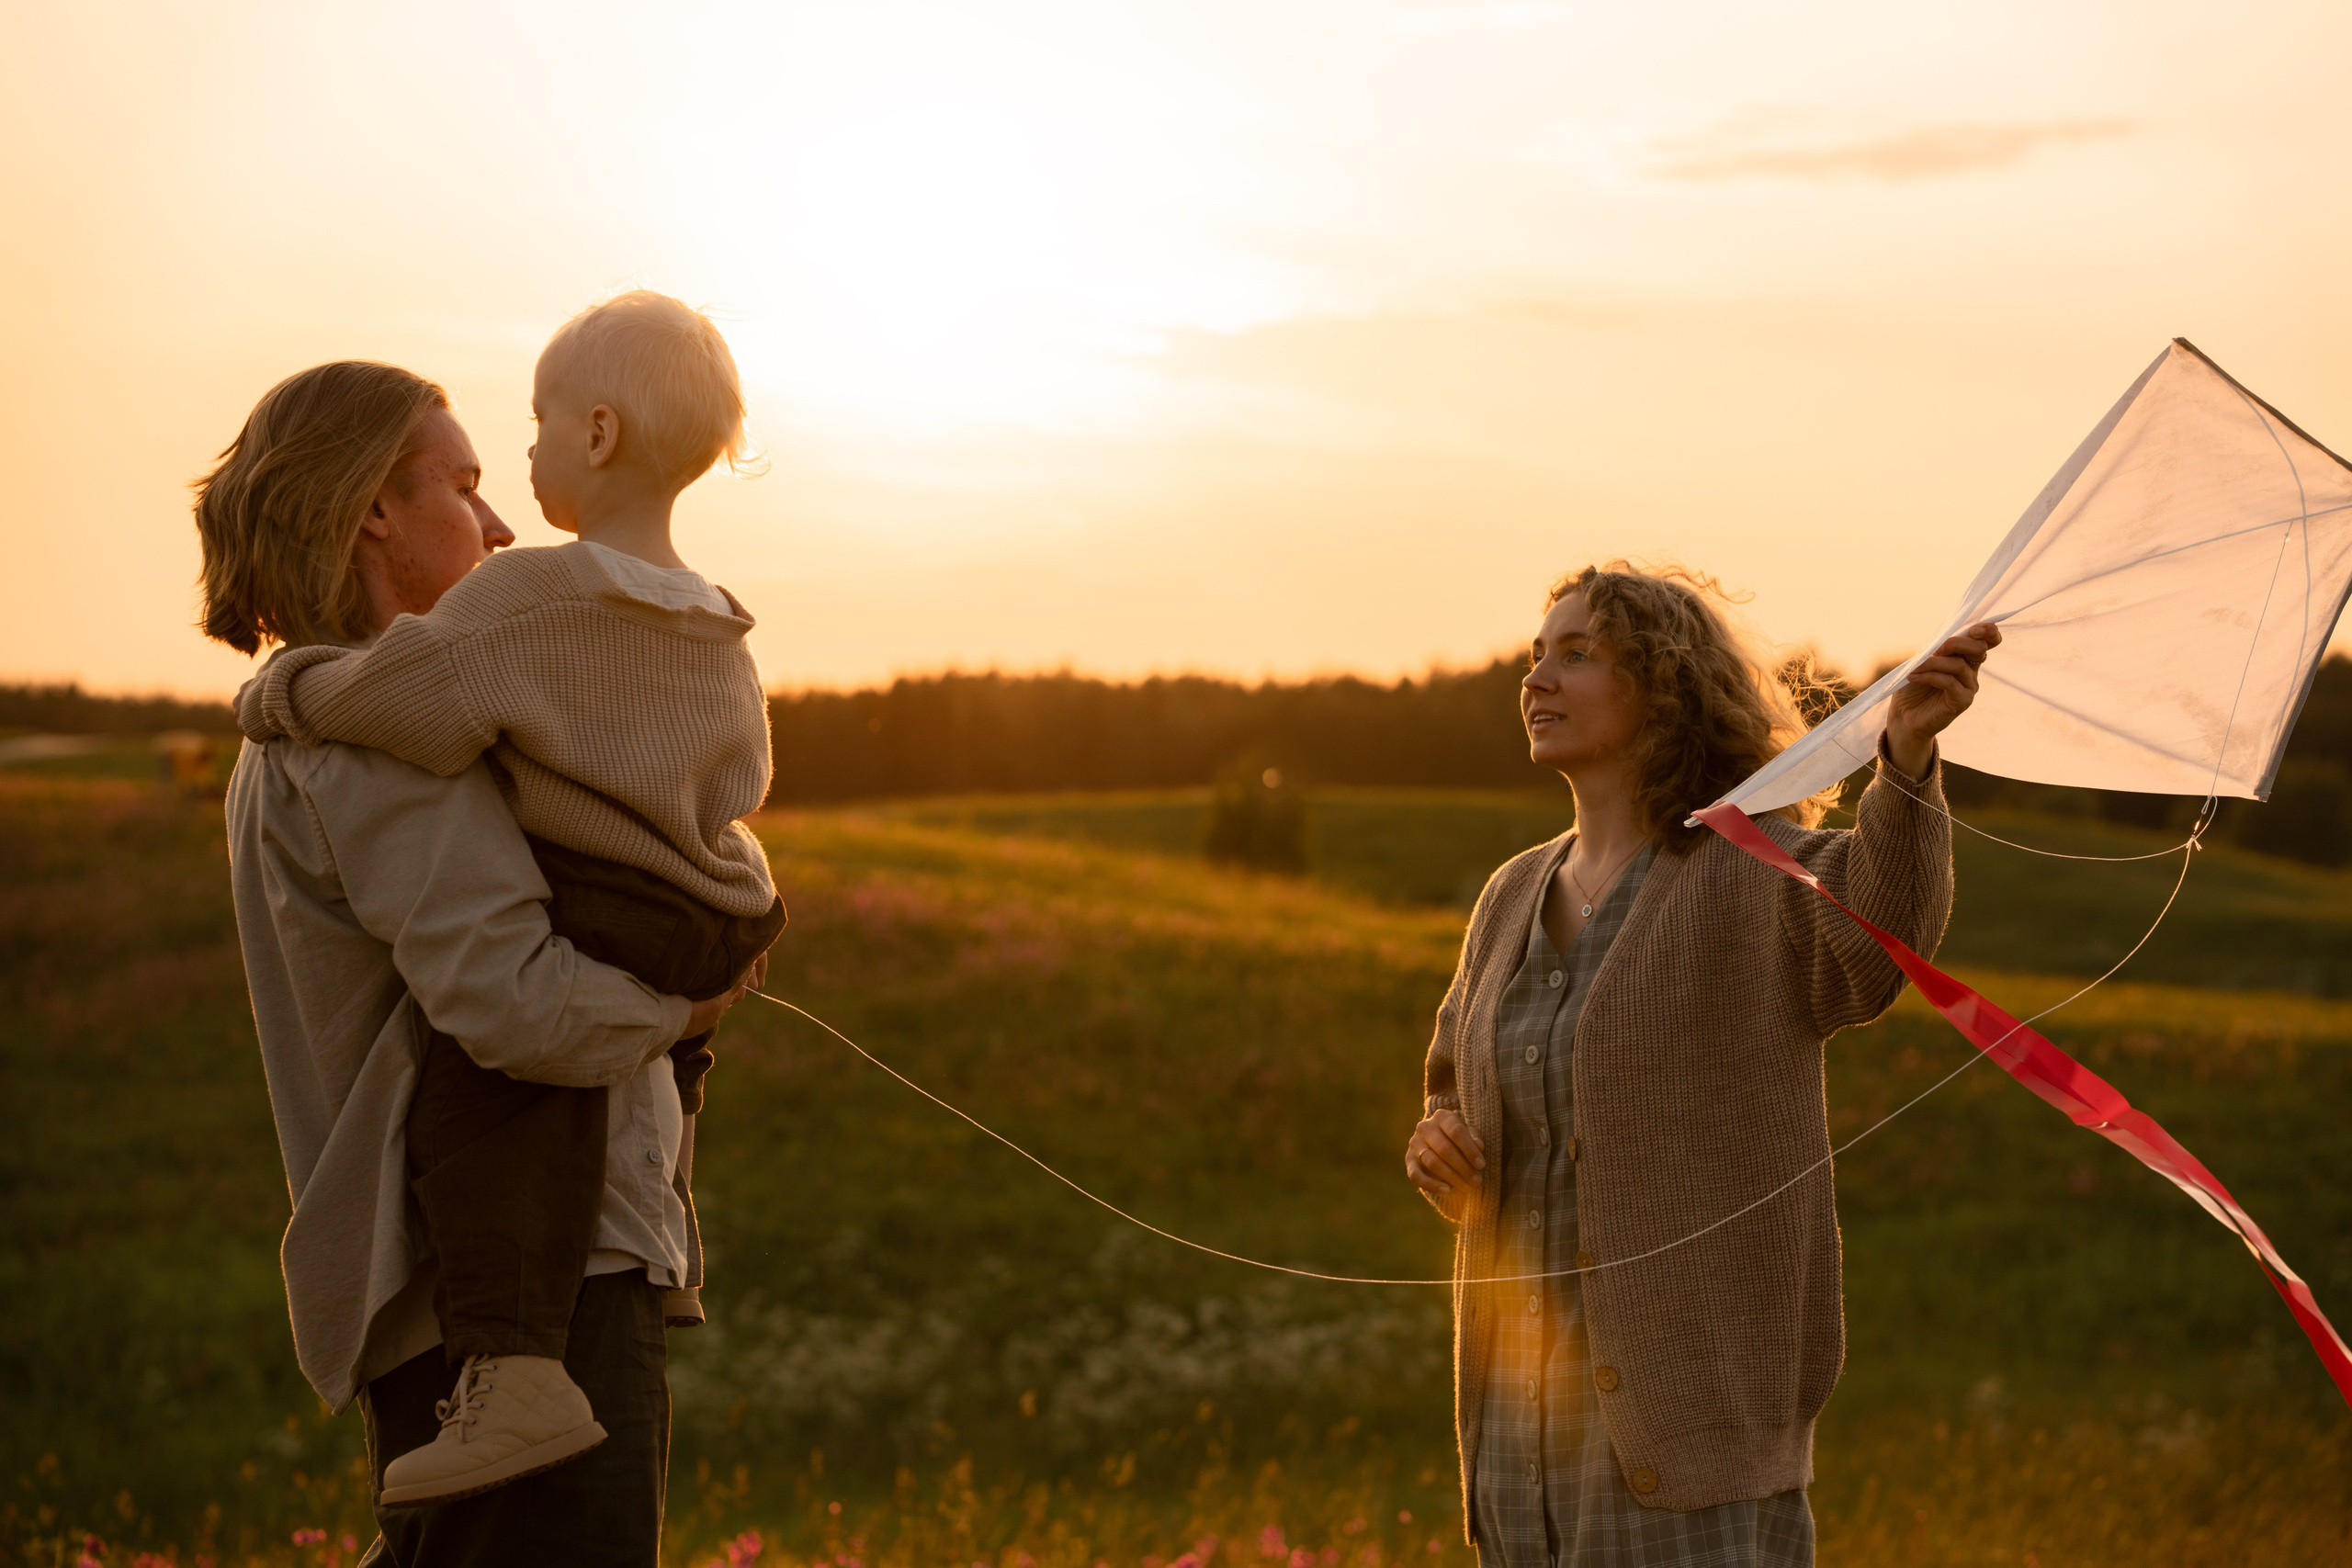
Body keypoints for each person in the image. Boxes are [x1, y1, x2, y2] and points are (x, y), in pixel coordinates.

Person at [232, 292, 786, 1512]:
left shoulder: (393, 713)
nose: (494, 525)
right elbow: (518, 1010)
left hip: (521, 1278)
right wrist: (687, 1010)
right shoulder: (392, 738)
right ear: (375, 508)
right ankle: (523, 1381)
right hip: (523, 1290)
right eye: (463, 483)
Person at [1403, 562, 2000, 1568]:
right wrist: (1437, 1152)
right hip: (1513, 1451)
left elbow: (1878, 937)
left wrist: (1905, 755)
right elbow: (1452, 1089)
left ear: (1661, 686)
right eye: (1533, 656)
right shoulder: (1509, 896)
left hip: (1689, 1458)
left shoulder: (1747, 867)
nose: (1536, 679)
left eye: (1576, 655)